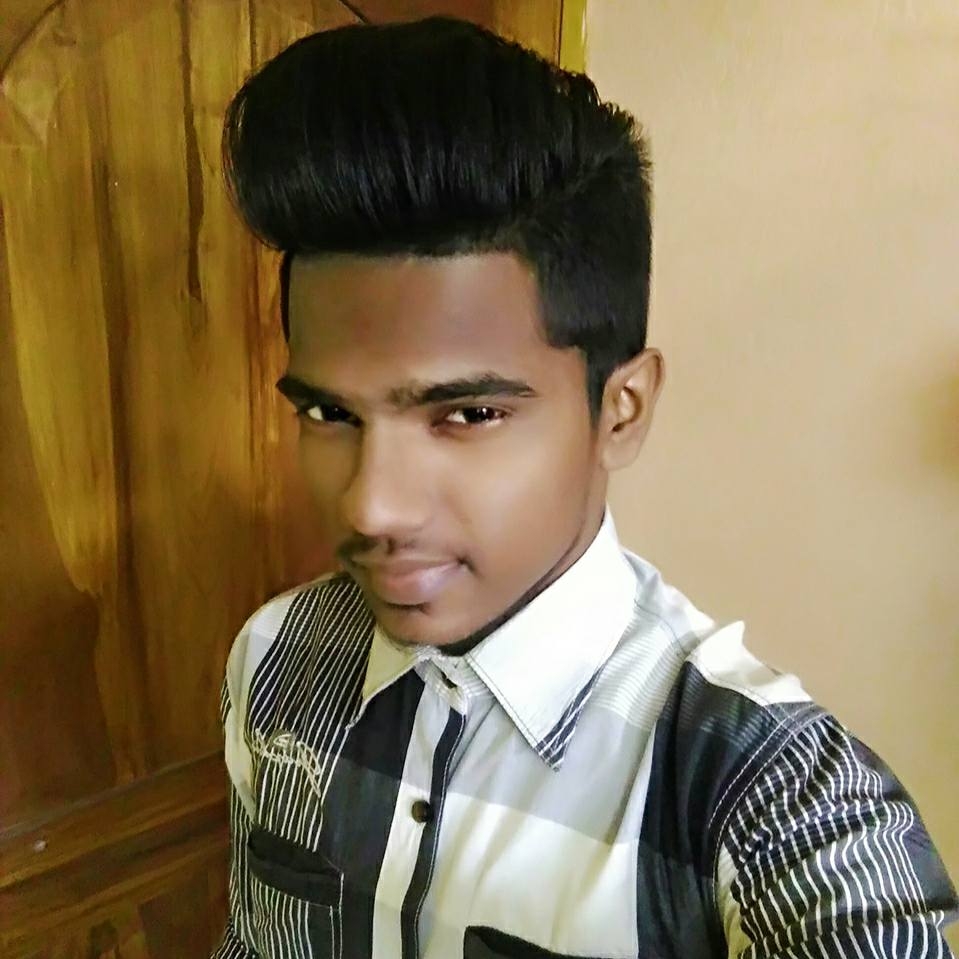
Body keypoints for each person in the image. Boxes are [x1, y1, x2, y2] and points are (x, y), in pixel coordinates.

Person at [212, 16, 956, 959]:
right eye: (329, 413)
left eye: (468, 413)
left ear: (621, 409)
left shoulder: (766, 794)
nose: (371, 507)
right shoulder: (275, 656)